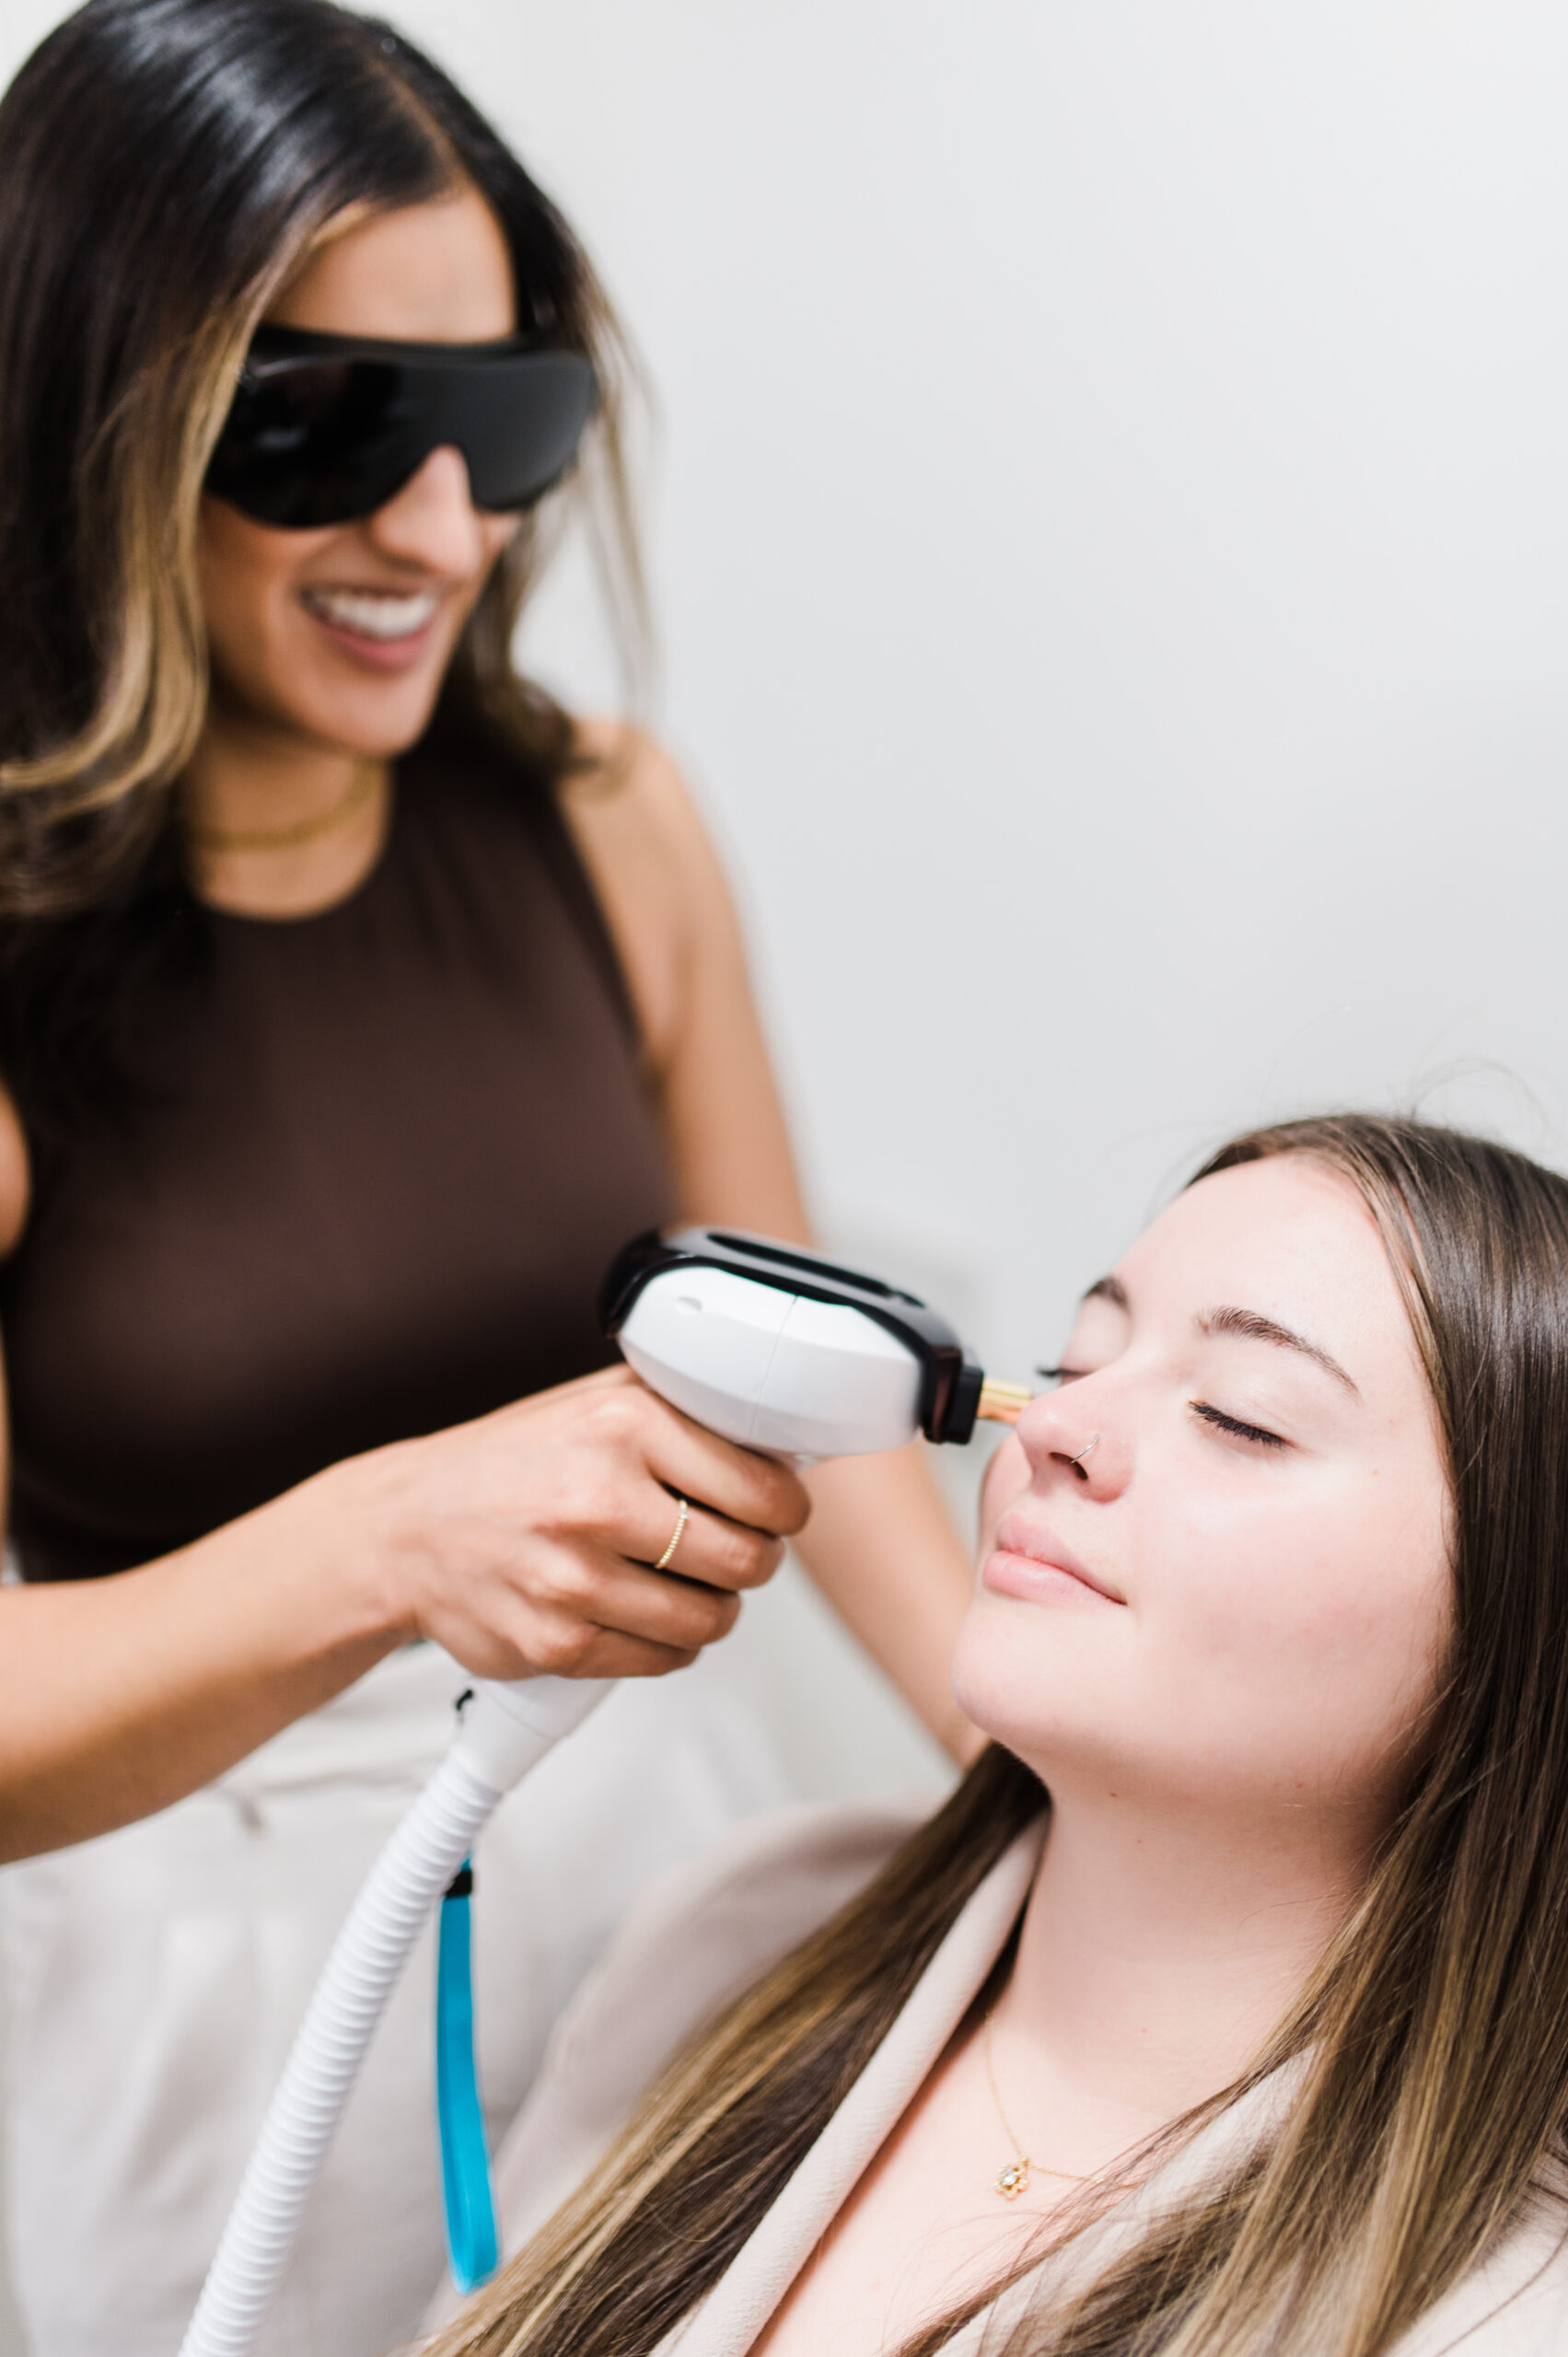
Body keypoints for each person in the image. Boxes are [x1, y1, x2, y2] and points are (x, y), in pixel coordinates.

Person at [0, 3, 974, 2351]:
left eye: (505, 420)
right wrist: (393, 1540)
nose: (442, 532)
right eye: (328, 427)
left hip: (654, 1878)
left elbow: (806, 1396)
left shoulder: (613, 830)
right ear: (79, 424)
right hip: (191, 1998)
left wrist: (1019, 1747)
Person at [422, 1113, 1568, 2357]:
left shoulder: (1508, 2315)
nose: (1049, 1431)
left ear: (1523, 1610)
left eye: (1241, 1417)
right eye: (1077, 1362)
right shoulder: (742, 1931)